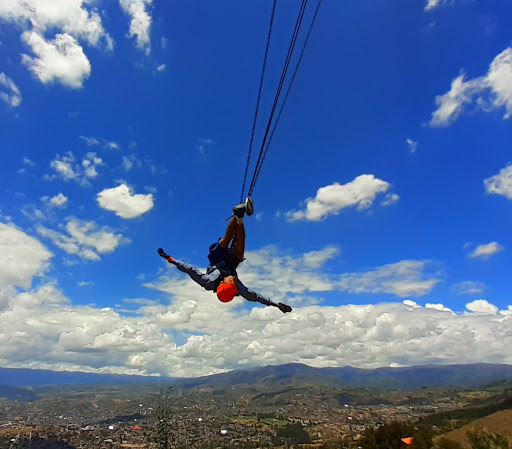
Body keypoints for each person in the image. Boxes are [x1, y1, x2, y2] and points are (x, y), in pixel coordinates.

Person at [158, 197, 292, 313]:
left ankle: (236, 214)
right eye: (234, 284)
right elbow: (255, 297)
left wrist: (171, 259)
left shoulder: (208, 282)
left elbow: (190, 270)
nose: (234, 280)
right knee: (239, 251)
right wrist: (276, 304)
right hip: (230, 263)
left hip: (217, 260)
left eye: (231, 282)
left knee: (225, 241)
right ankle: (239, 218)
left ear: (222, 283)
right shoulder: (238, 289)